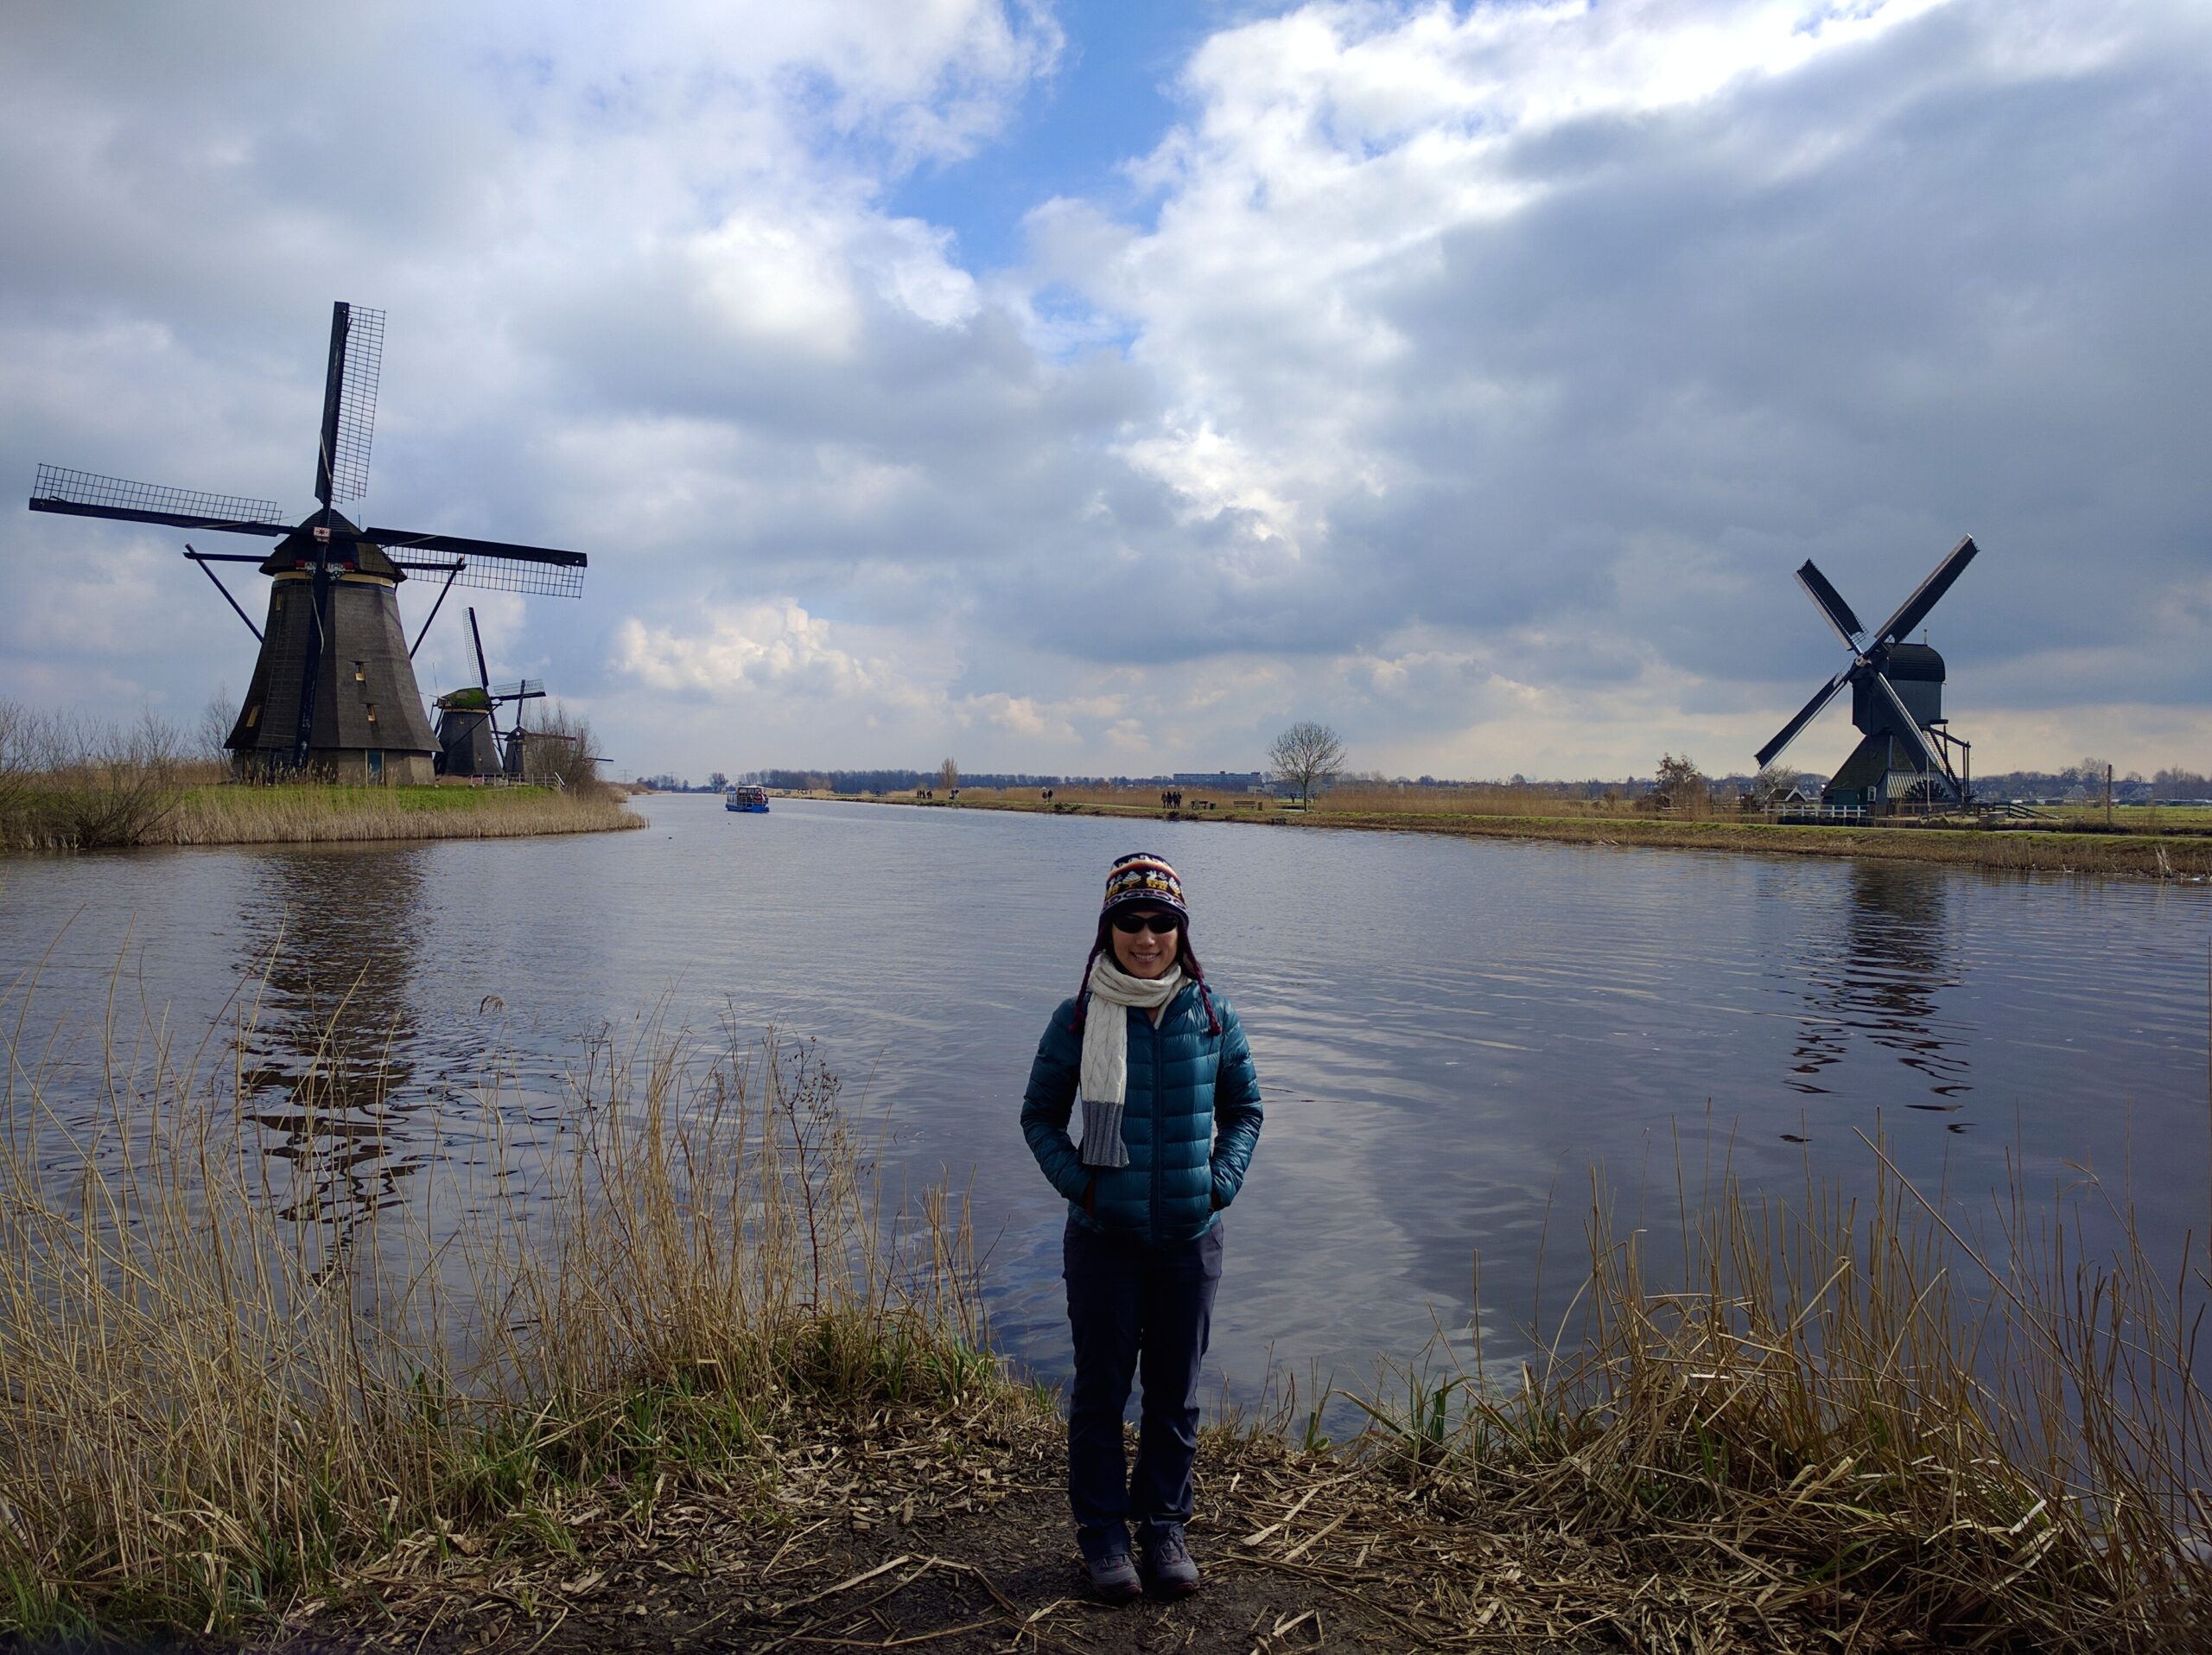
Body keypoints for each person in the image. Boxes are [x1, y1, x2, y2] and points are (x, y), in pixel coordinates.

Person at [1020, 852, 1264, 1601]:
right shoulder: (1076, 1018)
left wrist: (1217, 1185)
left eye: (1162, 921)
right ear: (1109, 929)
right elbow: (1039, 1117)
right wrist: (1086, 1189)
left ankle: (1163, 1527)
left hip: (1191, 1240)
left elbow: (1245, 1111)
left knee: (1175, 1394)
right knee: (1100, 1392)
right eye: (1131, 921)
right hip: (1104, 1240)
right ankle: (1102, 1536)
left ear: (1180, 930)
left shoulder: (1213, 1016)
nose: (1147, 936)